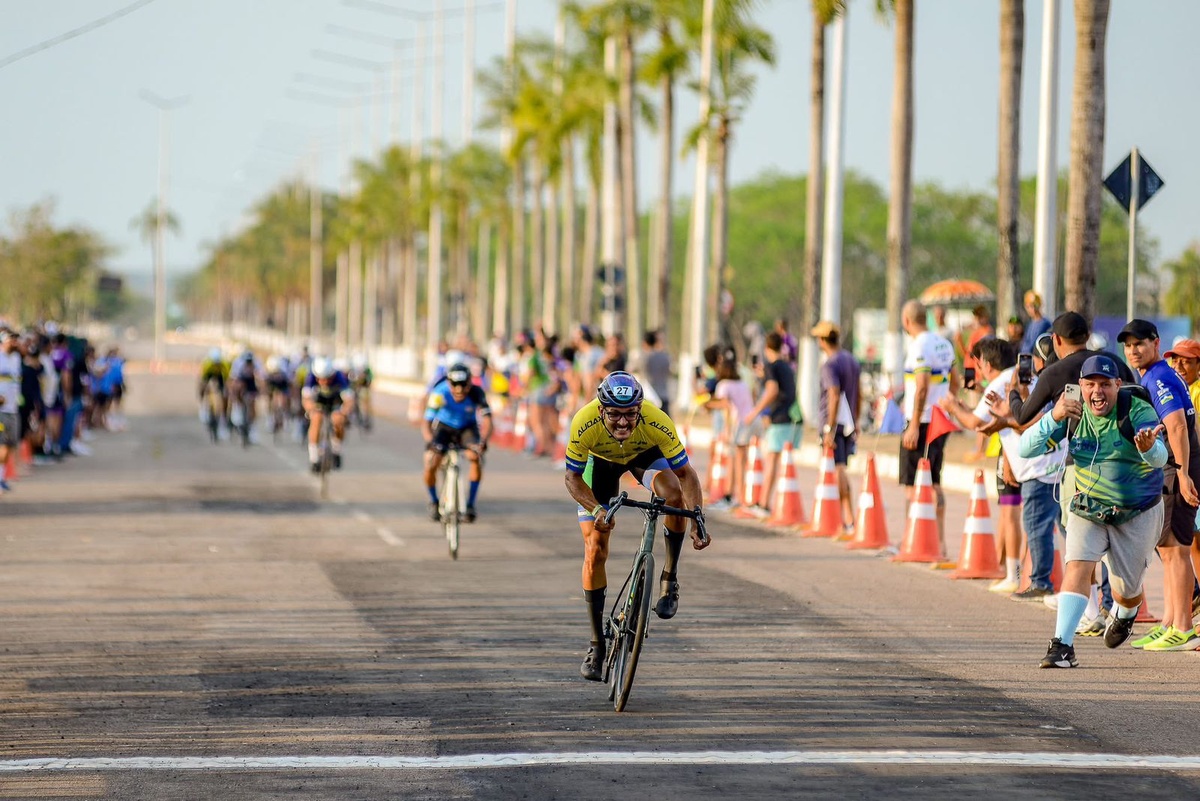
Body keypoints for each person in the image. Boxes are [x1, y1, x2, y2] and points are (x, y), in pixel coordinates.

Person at [1021, 355, 1168, 668]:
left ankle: (1126, 612)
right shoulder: (1071, 410)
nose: (1097, 392)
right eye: (1090, 384)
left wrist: (1147, 449)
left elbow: (1160, 457)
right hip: (1089, 505)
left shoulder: (1136, 409)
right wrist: (1054, 416)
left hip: (1138, 511)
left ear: (1117, 385)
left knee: (1125, 590)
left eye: (1105, 384)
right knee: (1077, 565)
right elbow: (1025, 449)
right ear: (1081, 387)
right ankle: (1062, 646)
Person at [564, 372, 709, 682]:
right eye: (614, 414)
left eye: (630, 414)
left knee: (673, 497)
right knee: (595, 549)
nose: (622, 422)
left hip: (642, 455)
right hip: (599, 463)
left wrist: (697, 516)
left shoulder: (657, 421)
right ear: (601, 409)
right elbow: (572, 478)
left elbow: (686, 476)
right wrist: (597, 508)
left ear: (640, 409)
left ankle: (669, 577)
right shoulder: (584, 422)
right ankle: (596, 645)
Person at [1119, 319, 1200, 651]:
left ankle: (1183, 628)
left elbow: (1178, 427)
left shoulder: (1160, 376)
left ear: (1155, 344)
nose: (1134, 350)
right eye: (1128, 345)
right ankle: (1169, 621)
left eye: (1140, 343)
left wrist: (1182, 474)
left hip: (1178, 467)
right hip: (1173, 466)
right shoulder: (1153, 376)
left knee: (1175, 548)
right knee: (1166, 547)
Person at [898, 300, 957, 559]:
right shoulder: (944, 344)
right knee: (935, 480)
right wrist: (945, 405)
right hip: (939, 420)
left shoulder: (918, 346)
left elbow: (921, 386)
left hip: (920, 422)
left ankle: (914, 541)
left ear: (907, 321)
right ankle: (940, 544)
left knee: (913, 485)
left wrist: (912, 425)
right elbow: (955, 381)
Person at [423, 362, 492, 523]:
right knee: (431, 461)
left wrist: (483, 441)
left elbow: (488, 420)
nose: (459, 390)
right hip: (444, 428)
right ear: (448, 383)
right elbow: (427, 422)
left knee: (475, 457)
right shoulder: (440, 393)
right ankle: (434, 500)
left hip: (467, 428)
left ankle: (470, 504)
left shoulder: (477, 392)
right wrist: (430, 442)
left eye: (463, 385)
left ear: (469, 383)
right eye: (455, 385)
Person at [812, 321, 862, 533]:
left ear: (823, 340)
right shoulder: (851, 360)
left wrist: (829, 429)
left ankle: (848, 518)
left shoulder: (829, 365)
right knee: (839, 468)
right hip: (848, 421)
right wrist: (857, 420)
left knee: (838, 469)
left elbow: (833, 394)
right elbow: (858, 393)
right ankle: (845, 518)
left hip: (834, 423)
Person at [743, 331, 801, 517]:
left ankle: (764, 504)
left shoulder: (771, 366)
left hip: (779, 418)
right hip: (791, 418)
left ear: (767, 348)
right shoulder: (785, 365)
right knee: (775, 461)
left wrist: (755, 412)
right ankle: (765, 503)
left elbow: (772, 391)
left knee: (771, 461)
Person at [705, 354, 755, 510]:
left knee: (734, 460)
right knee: (741, 460)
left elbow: (725, 405)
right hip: (750, 421)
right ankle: (737, 496)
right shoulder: (742, 383)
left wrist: (708, 404)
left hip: (737, 424)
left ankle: (732, 496)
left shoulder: (724, 385)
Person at [301, 356, 355, 473]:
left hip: (335, 402)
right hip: (319, 403)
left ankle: (336, 450)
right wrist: (311, 409)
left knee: (338, 420)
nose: (323, 382)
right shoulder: (311, 377)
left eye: (327, 379)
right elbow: (306, 399)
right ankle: (314, 457)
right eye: (320, 379)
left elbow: (349, 400)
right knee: (316, 419)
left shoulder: (339, 377)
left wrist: (344, 412)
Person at [640, 330, 672, 416]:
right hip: (663, 395)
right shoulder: (665, 356)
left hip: (648, 398)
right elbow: (669, 372)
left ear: (644, 342)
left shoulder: (643, 357)